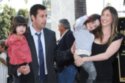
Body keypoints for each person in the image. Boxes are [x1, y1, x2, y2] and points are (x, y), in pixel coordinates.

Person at [73, 6, 124, 83]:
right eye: (103, 14)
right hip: (86, 75)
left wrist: (84, 59)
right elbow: (74, 47)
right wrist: (76, 58)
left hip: (104, 77)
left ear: (113, 18)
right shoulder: (91, 32)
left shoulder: (118, 37)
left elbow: (106, 55)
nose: (104, 17)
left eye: (107, 15)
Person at [17, 4, 57, 83]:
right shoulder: (22, 36)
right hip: (29, 79)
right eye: (42, 16)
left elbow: (57, 55)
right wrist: (18, 69)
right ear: (33, 17)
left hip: (48, 79)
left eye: (46, 16)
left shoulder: (51, 34)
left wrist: (70, 52)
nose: (45, 19)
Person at [73, 14, 100, 83]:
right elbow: (78, 22)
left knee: (91, 74)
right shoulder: (79, 28)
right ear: (89, 19)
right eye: (93, 23)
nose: (92, 26)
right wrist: (86, 16)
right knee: (93, 73)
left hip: (87, 56)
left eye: (95, 26)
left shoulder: (92, 35)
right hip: (81, 55)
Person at [6, 16, 32, 83]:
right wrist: (18, 70)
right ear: (15, 27)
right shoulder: (12, 41)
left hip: (30, 76)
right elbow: (10, 66)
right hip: (17, 78)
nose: (22, 28)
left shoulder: (27, 38)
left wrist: (28, 65)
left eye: (24, 26)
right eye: (19, 25)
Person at [55, 19, 77, 83]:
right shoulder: (65, 35)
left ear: (62, 26)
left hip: (67, 68)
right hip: (64, 69)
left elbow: (71, 51)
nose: (58, 29)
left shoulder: (69, 34)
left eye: (58, 26)